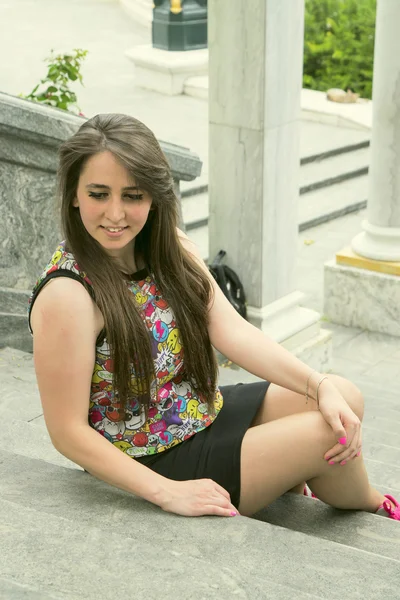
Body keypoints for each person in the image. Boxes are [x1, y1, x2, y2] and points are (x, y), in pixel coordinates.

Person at [27, 113, 399, 521]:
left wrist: (318, 383)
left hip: (202, 412)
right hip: (154, 460)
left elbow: (232, 330)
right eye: (99, 194)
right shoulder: (69, 294)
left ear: (153, 197)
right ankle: (373, 505)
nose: (115, 214)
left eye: (132, 196)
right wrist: (167, 493)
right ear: (75, 194)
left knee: (342, 397)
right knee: (330, 432)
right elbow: (66, 432)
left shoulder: (169, 247)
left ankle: (291, 478)